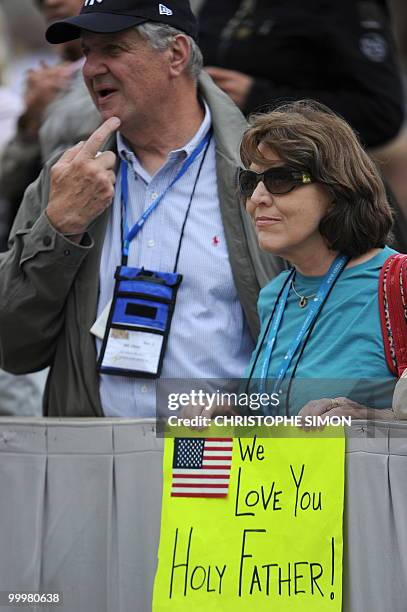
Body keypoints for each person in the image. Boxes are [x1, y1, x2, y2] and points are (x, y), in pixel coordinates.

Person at [0, 0, 283, 418]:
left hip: (219, 466)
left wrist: (243, 414)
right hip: (96, 469)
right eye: (87, 52)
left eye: (112, 50)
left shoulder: (269, 176)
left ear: (176, 54)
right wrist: (59, 227)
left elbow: (327, 349)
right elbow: (12, 347)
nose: (92, 69)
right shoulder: (66, 178)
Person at [239, 100, 397, 419]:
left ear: (336, 188)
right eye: (248, 182)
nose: (256, 198)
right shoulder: (275, 294)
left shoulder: (397, 284)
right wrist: (231, 411)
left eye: (280, 180)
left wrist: (377, 420)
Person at [197, 0, 404, 150]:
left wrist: (260, 99)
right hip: (209, 160)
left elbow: (380, 113)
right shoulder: (219, 6)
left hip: (298, 176)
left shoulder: (344, 8)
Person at [0, 0, 100, 251]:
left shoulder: (120, 71)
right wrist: (31, 117)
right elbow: (8, 183)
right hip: (42, 240)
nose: (51, 3)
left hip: (95, 238)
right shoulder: (45, 81)